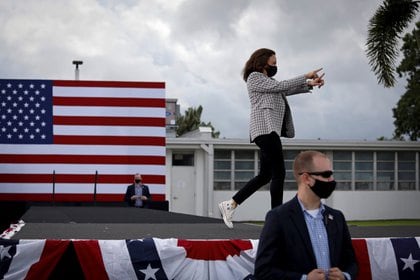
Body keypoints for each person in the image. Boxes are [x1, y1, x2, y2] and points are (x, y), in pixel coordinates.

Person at [219, 48, 325, 228]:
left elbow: (284, 90)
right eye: (273, 63)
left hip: (269, 131)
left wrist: (309, 84)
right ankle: (277, 219)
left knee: (265, 175)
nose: (276, 66)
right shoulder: (254, 78)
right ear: (262, 62)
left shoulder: (268, 82)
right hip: (265, 131)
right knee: (279, 173)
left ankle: (231, 204)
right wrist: (305, 75)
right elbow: (280, 86)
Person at [254, 151, 358, 280]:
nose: (331, 180)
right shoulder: (278, 218)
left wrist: (345, 276)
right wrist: (304, 278)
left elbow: (351, 263)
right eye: (326, 174)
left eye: (332, 174)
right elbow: (263, 271)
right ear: (306, 178)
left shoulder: (337, 217)